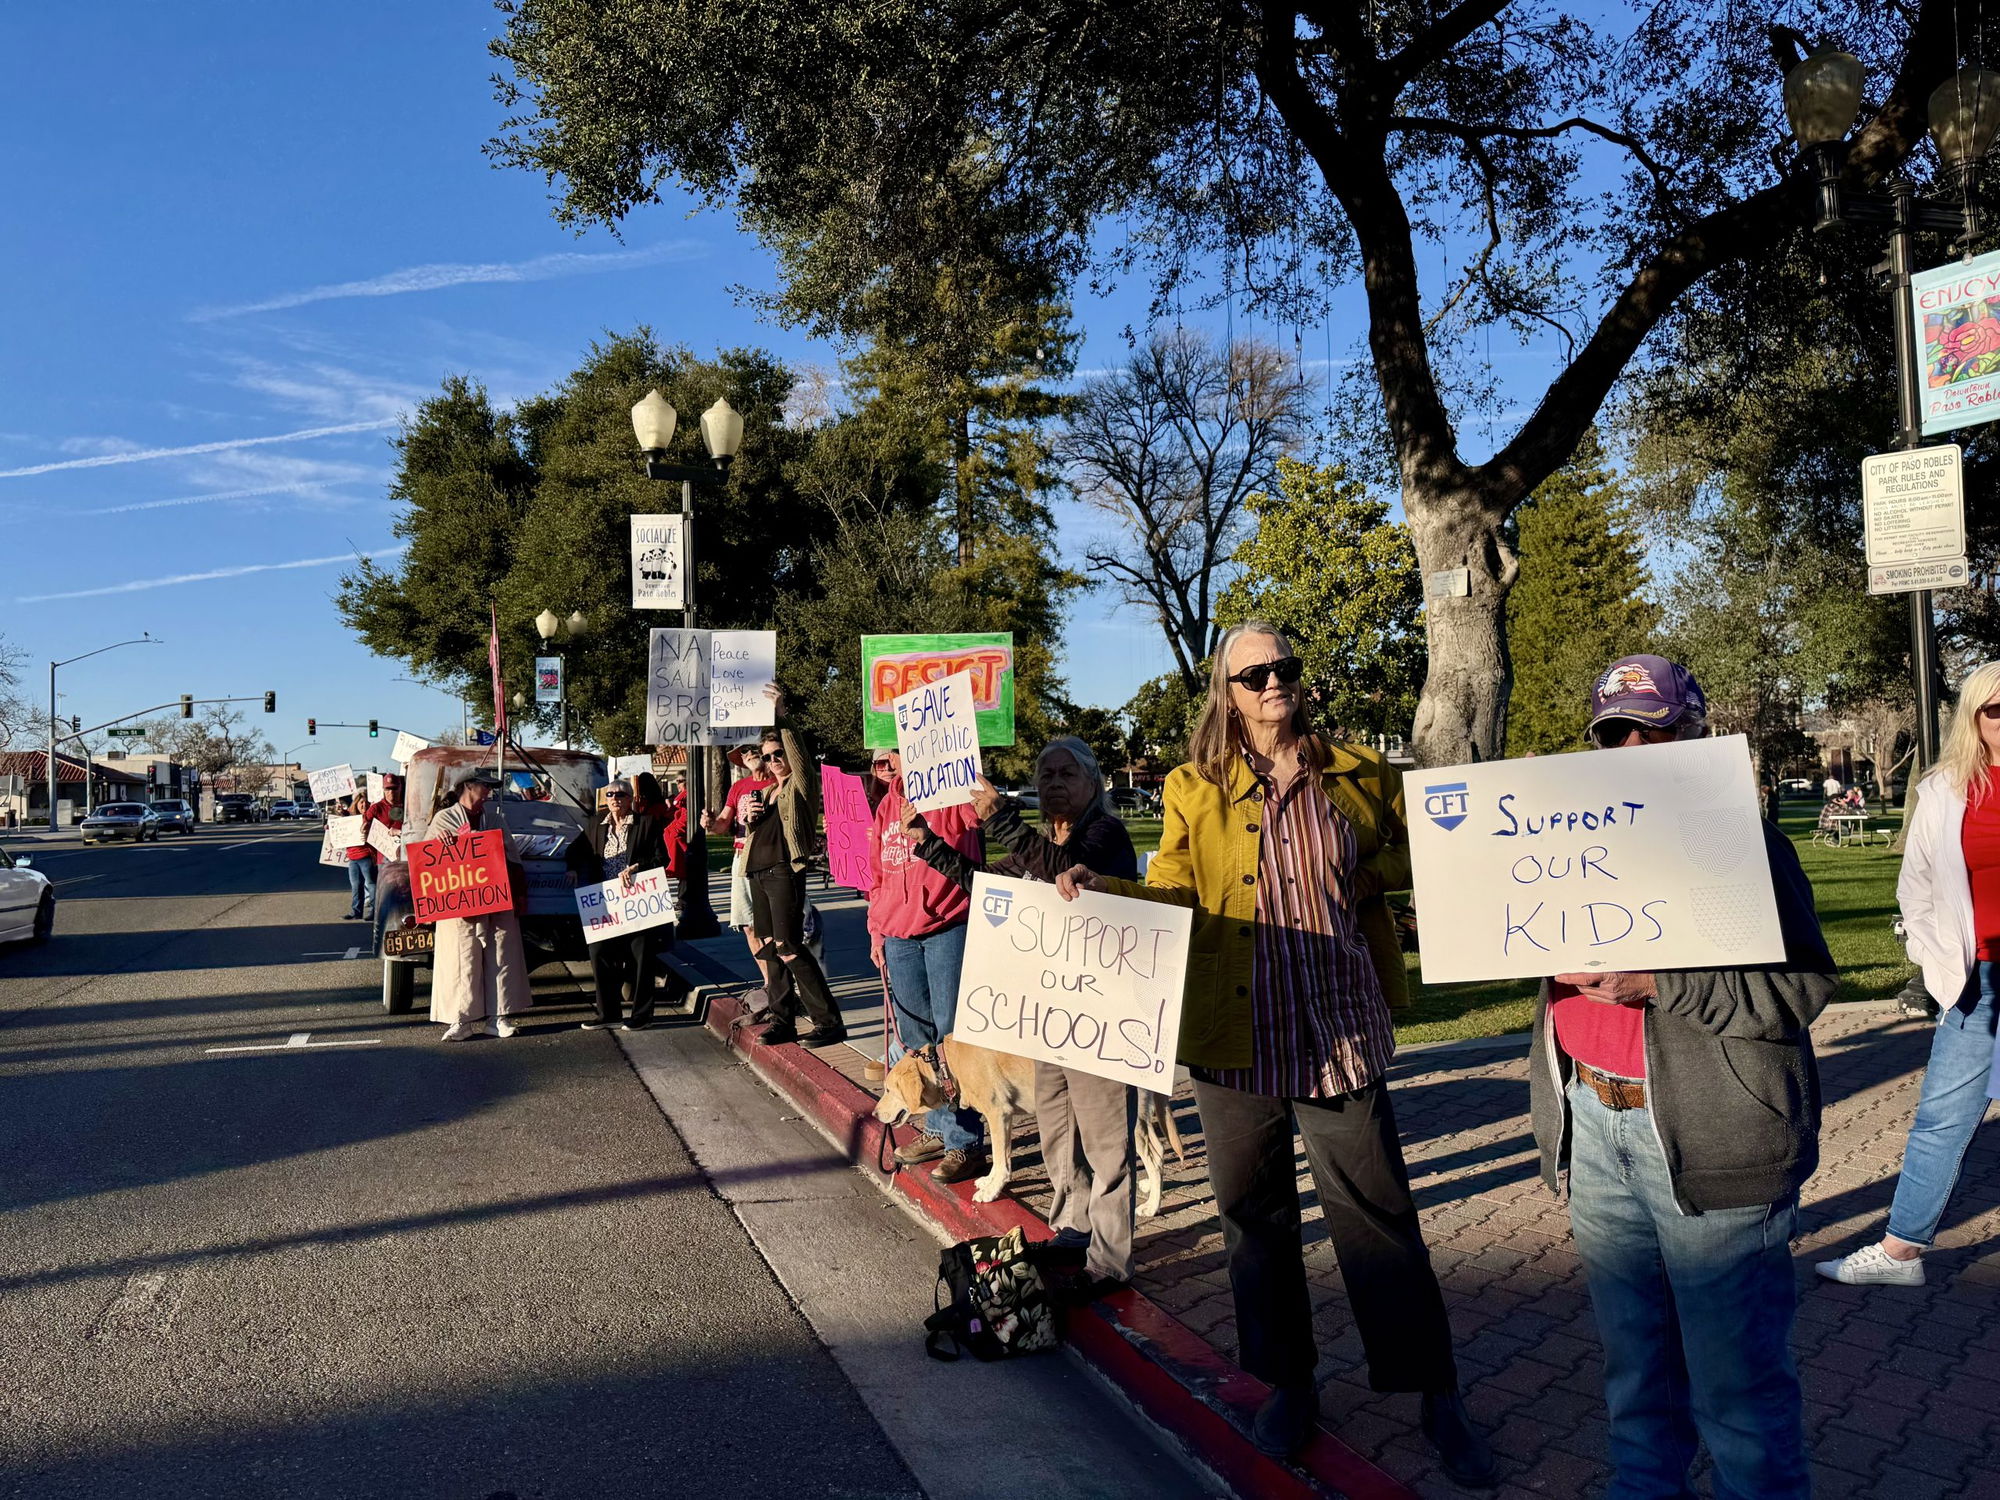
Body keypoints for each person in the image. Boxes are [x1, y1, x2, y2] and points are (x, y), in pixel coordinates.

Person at [1055, 621, 1491, 1481]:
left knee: (1379, 1216)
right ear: (1228, 691)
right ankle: (1290, 1384)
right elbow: (1176, 888)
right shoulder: (1192, 786)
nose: (1272, 684)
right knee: (1255, 1221)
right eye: (1253, 674)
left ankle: (1433, 1389)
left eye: (1284, 668)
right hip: (1234, 1035)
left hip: (1337, 1026)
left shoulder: (1360, 775)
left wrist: (1369, 877)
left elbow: (1421, 851)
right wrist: (1110, 889)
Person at [1531, 654, 1834, 1500]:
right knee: (1636, 1380)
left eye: (1656, 727)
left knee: (1738, 1397)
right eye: (1616, 731)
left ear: (1696, 731)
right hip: (1594, 1123)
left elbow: (1801, 986)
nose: (1635, 744)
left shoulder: (1740, 838)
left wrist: (1663, 985)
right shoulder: (1574, 843)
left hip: (1713, 1143)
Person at [905, 737, 1142, 1296]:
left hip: (1103, 1013)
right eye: (1045, 774)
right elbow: (988, 885)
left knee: (1106, 1140)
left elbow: (1065, 875)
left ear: (1092, 782)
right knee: (1059, 1129)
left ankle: (1110, 1259)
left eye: (1066, 773)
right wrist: (929, 846)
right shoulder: (1041, 842)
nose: (1054, 782)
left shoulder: (1104, 835)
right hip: (1049, 1010)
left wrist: (1004, 820)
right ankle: (1071, 1227)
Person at [1818, 660, 2000, 1288]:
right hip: (1977, 982)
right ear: (1974, 718)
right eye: (1997, 709)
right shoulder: (1946, 788)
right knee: (1941, 1119)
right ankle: (1901, 1255)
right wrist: (1939, 965)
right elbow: (1915, 886)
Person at [868, 749, 988, 1185]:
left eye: (891, 758)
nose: (884, 768)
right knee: (918, 1042)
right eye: (878, 763)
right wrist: (876, 929)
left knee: (951, 1041)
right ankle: (937, 1127)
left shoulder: (952, 792)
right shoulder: (884, 806)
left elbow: (978, 823)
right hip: (898, 936)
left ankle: (965, 1143)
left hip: (947, 929)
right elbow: (877, 873)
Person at [744, 702, 847, 1049]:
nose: (773, 761)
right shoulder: (767, 792)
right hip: (757, 873)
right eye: (767, 757)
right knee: (771, 949)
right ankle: (782, 1021)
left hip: (784, 871)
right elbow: (758, 833)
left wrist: (782, 716)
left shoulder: (799, 786)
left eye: (777, 754)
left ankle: (829, 1022)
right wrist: (749, 818)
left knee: (789, 947)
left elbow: (800, 757)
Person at [427, 767, 532, 1042]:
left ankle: (499, 1017)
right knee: (462, 959)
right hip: (459, 906)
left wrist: (520, 895)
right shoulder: (443, 819)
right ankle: (461, 1020)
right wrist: (441, 844)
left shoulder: (495, 819)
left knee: (502, 956)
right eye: (484, 787)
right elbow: (427, 862)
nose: (489, 792)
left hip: (497, 899)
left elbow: (513, 859)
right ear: (468, 787)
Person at [567, 778, 674, 1032]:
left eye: (620, 795)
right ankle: (608, 1014)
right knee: (599, 953)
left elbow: (663, 858)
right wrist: (571, 867)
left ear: (630, 799)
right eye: (611, 795)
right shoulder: (595, 825)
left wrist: (638, 867)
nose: (615, 799)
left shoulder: (646, 824)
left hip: (637, 901)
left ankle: (642, 1015)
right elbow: (575, 850)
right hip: (605, 902)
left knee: (641, 956)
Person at [704, 744, 779, 1008]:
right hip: (741, 857)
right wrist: (712, 824)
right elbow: (724, 823)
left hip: (770, 857)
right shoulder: (738, 788)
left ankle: (782, 985)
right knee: (749, 925)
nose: (748, 756)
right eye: (743, 754)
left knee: (772, 926)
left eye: (752, 751)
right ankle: (770, 983)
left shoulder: (779, 781)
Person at [363, 774, 403, 955]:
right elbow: (364, 823)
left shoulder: (409, 806)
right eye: (388, 789)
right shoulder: (377, 808)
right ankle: (383, 933)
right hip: (384, 861)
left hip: (405, 859)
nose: (391, 792)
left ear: (400, 788)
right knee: (386, 897)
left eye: (394, 788)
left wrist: (399, 831)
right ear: (383, 790)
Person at [342, 790, 375, 923]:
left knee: (371, 884)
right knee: (356, 885)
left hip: (366, 856)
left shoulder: (371, 817)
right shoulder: (349, 818)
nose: (364, 805)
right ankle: (356, 911)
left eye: (367, 803)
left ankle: (374, 911)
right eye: (361, 802)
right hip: (353, 857)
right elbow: (338, 825)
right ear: (356, 804)